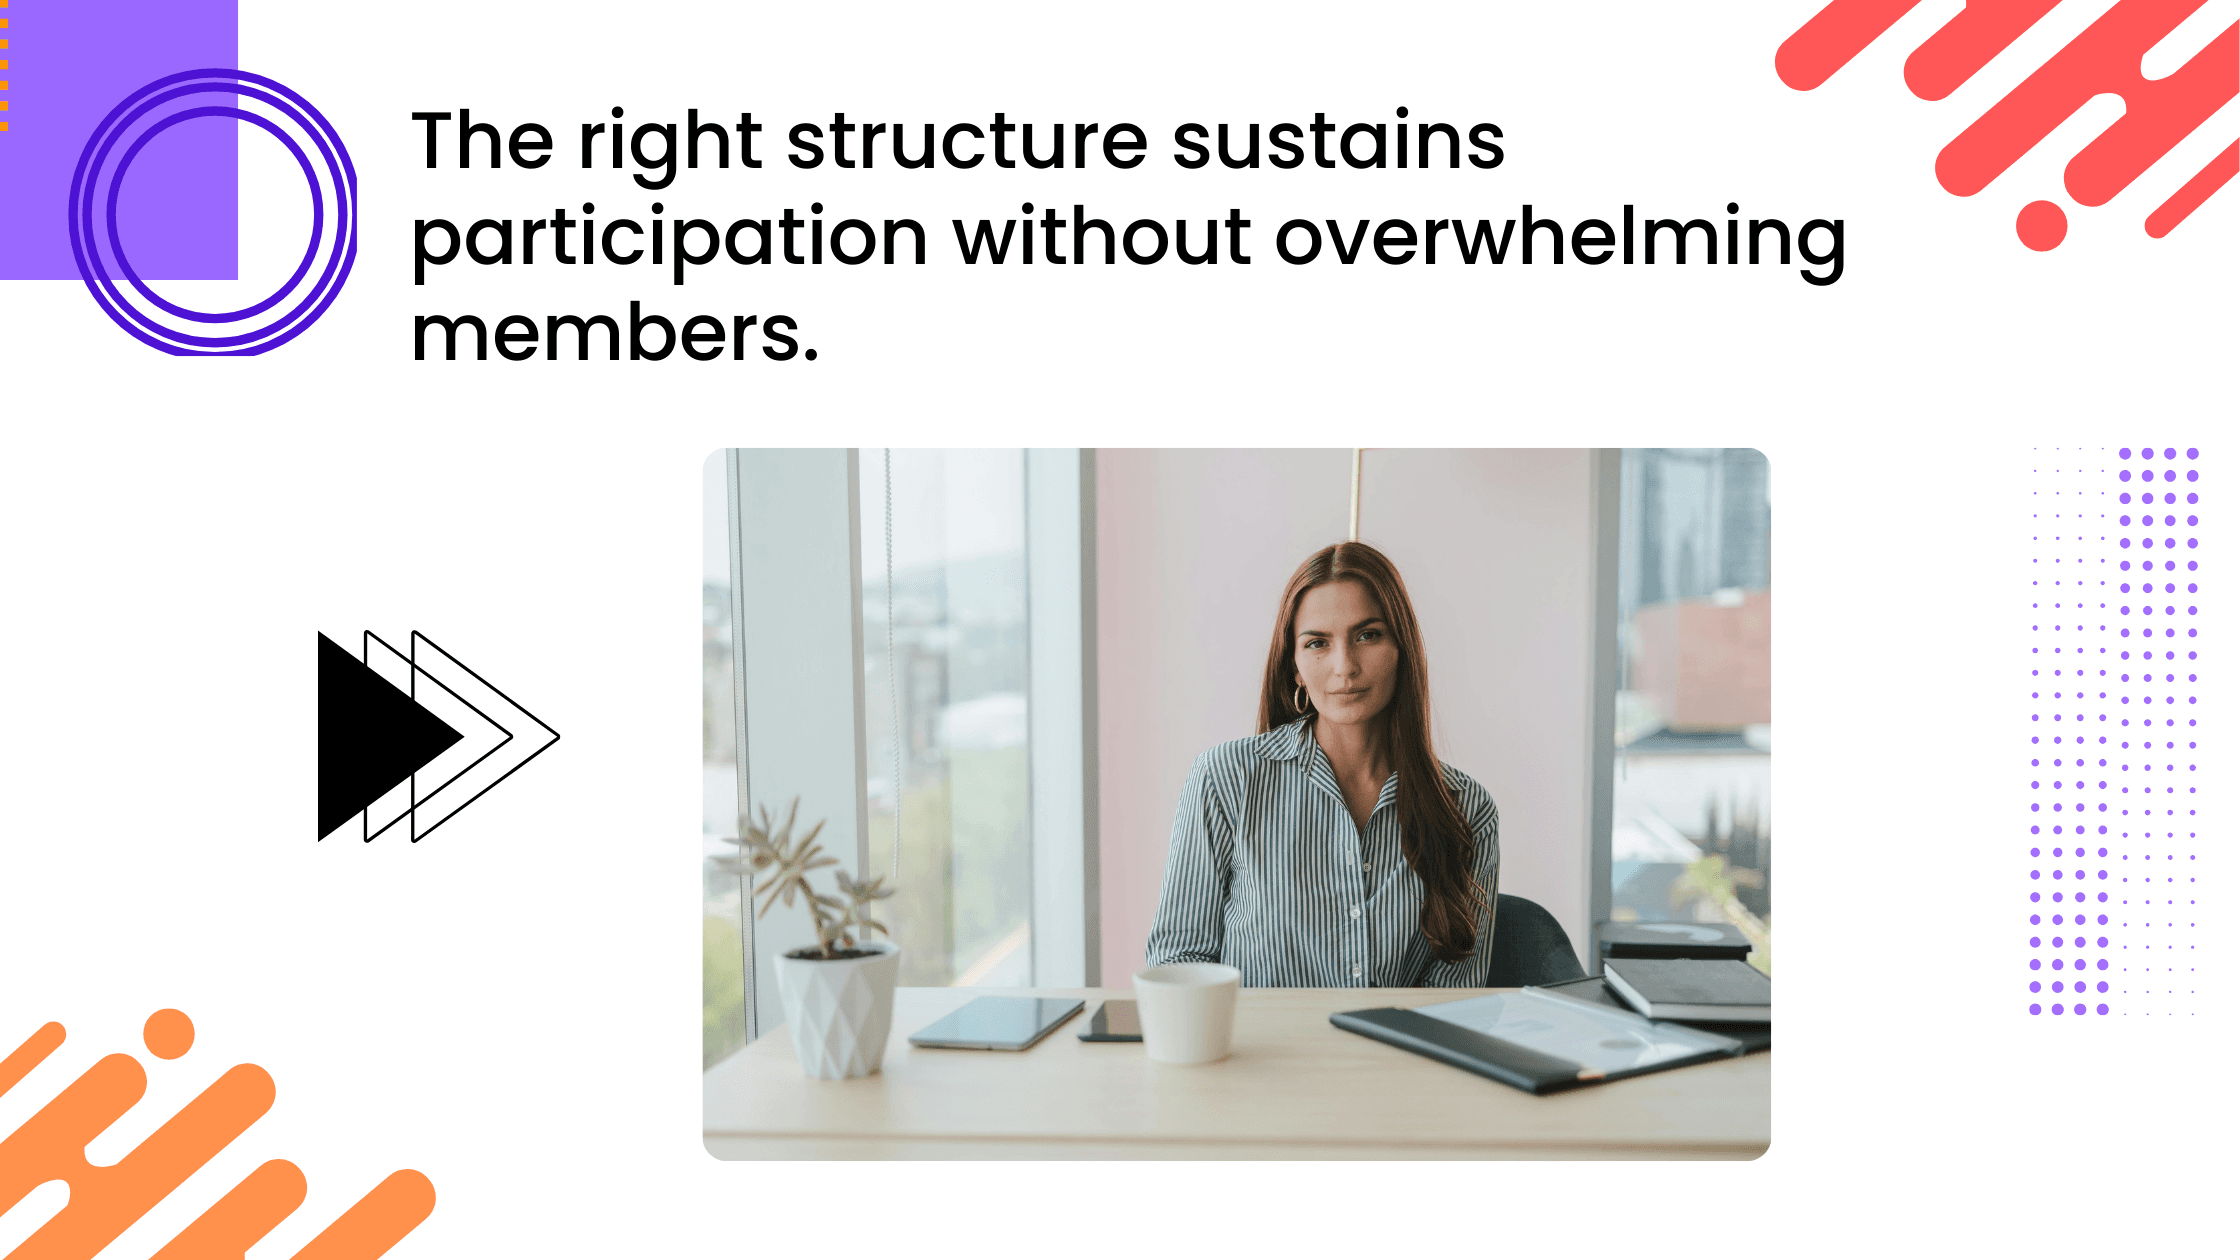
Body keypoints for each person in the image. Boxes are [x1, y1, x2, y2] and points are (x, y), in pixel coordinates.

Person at [1144, 541, 1500, 987]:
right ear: (1294, 666)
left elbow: (1455, 996)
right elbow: (1178, 961)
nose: (1344, 666)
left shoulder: (1467, 809)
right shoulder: (1225, 780)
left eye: (1368, 635)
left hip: (1397, 1058)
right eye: (1317, 643)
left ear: (1402, 649)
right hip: (1258, 1055)